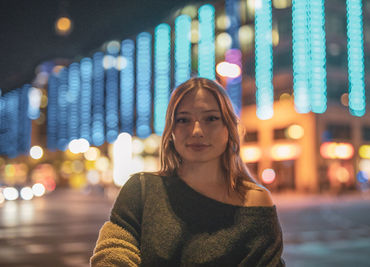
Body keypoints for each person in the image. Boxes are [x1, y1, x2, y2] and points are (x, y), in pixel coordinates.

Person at [90, 77, 285, 266]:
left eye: (211, 118)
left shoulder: (256, 203)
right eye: (183, 120)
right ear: (171, 131)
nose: (197, 131)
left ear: (229, 128)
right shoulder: (141, 190)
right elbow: (113, 252)